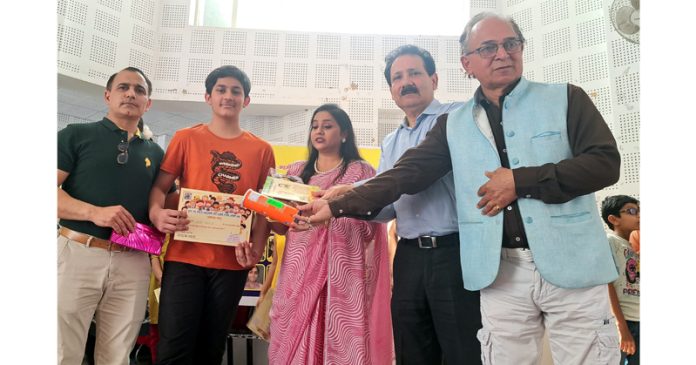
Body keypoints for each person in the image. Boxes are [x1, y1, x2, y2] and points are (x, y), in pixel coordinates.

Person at [299, 12, 622, 364]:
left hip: (572, 264)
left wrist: (519, 181)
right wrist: (338, 203)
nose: (501, 54)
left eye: (510, 44)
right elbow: (407, 174)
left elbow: (605, 164)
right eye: (487, 48)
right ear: (467, 63)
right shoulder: (454, 124)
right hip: (500, 272)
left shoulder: (566, 98)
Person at [320, 44, 481, 364]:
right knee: (411, 349)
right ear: (391, 90)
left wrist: (350, 193)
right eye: (397, 77)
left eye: (414, 73)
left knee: (463, 349)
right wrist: (345, 201)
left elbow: (410, 176)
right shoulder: (391, 141)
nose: (406, 82)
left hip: (456, 252)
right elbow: (388, 205)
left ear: (434, 79)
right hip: (408, 257)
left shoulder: (457, 117)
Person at [148, 65, 275, 365]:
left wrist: (255, 251)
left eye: (236, 91)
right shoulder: (185, 138)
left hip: (232, 263)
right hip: (184, 258)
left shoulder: (261, 149)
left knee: (211, 347)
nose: (228, 96)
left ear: (246, 100)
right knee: (173, 347)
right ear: (208, 97)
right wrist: (156, 213)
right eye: (221, 89)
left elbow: (264, 209)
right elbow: (159, 188)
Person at [58, 67, 168, 365]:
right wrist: (95, 213)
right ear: (108, 95)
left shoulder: (156, 154)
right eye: (123, 87)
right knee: (60, 350)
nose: (131, 93)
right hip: (78, 252)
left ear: (149, 103)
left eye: (140, 90)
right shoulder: (76, 135)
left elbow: (163, 205)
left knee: (117, 356)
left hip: (132, 263)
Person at [268, 104, 392, 364]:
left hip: (341, 274)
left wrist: (336, 214)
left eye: (327, 125)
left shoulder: (360, 173)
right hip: (298, 272)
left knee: (338, 339)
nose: (319, 131)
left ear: (344, 134)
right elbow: (279, 226)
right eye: (314, 126)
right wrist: (274, 209)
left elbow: (372, 226)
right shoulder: (292, 173)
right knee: (293, 337)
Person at [601, 195, 640, 365]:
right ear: (613, 219)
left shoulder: (630, 246)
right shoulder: (609, 242)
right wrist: (621, 326)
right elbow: (606, 285)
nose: (639, 215)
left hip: (637, 319)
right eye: (632, 211)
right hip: (625, 322)